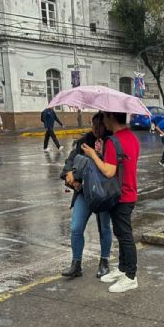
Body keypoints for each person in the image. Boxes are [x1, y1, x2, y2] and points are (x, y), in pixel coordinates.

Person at [80, 111, 141, 293]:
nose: (103, 121)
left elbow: (108, 171)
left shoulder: (113, 141)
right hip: (129, 192)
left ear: (112, 118)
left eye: (105, 117)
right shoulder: (132, 137)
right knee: (121, 233)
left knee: (125, 236)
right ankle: (122, 269)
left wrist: (93, 154)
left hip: (120, 195)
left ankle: (131, 276)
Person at [61, 113, 114, 279]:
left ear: (106, 125)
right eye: (94, 125)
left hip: (103, 192)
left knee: (104, 228)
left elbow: (112, 168)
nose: (97, 129)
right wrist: (69, 175)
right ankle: (76, 264)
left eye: (100, 125)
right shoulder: (84, 141)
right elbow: (69, 161)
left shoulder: (111, 142)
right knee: (76, 228)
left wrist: (95, 154)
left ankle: (104, 262)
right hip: (84, 192)